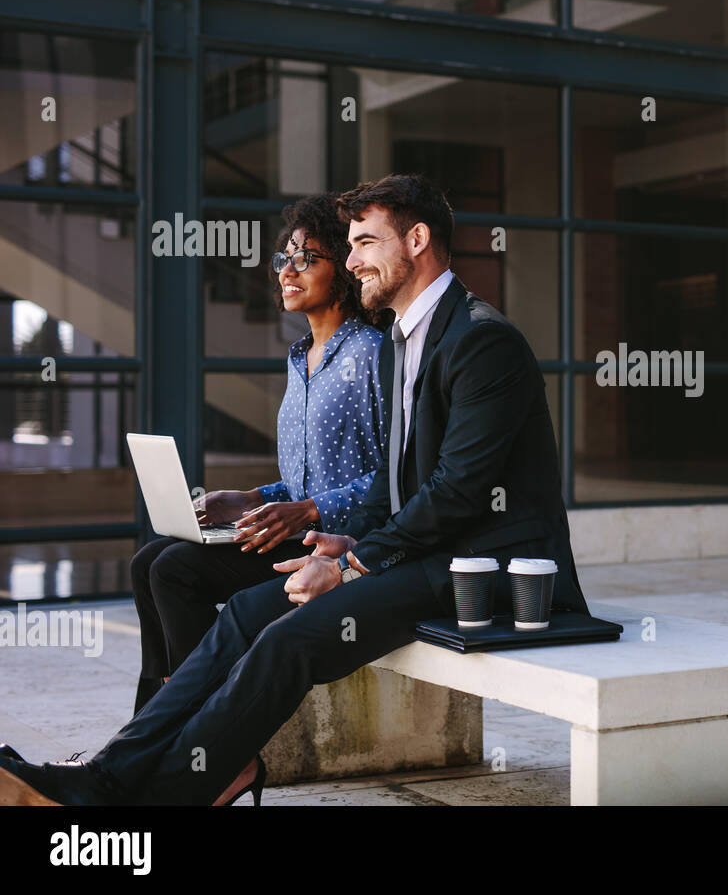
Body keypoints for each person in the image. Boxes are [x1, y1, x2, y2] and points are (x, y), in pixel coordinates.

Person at [0, 173, 590, 806]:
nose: (354, 257)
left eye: (364, 242)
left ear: (417, 240)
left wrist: (355, 563)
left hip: (492, 573)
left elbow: (458, 492)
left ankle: (153, 798)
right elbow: (397, 483)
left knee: (286, 640)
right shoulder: (402, 342)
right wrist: (339, 537)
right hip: (426, 554)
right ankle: (108, 775)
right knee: (249, 615)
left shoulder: (481, 340)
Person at [128, 194, 386, 715]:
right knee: (146, 561)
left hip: (339, 546)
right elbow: (302, 481)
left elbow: (394, 474)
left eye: (304, 258)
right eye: (281, 260)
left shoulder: (371, 353)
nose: (286, 272)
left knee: (175, 570)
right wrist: (248, 498)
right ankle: (154, 712)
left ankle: (195, 719)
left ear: (343, 267)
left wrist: (309, 510)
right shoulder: (300, 359)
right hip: (292, 528)